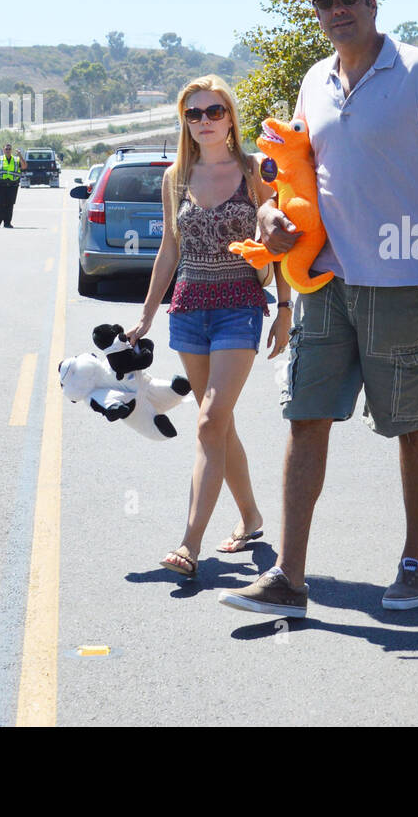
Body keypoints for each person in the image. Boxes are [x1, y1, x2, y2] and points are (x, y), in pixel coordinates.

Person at [216, 0, 418, 619]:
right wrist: (270, 219)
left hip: (403, 281)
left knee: (409, 423)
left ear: (372, 2)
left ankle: (417, 560)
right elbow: (293, 178)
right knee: (305, 417)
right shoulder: (314, 80)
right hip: (325, 281)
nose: (336, 9)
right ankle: (289, 576)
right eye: (324, 2)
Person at [123, 75, 290, 580]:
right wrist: (147, 313)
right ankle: (252, 518)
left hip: (239, 305)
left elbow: (277, 241)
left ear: (231, 116)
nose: (203, 122)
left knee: (208, 421)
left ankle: (188, 544)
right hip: (189, 309)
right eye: (193, 114)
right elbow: (168, 250)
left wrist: (285, 308)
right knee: (220, 423)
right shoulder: (176, 176)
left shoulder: (253, 171)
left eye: (213, 111)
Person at [0, 144, 26, 227]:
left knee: (10, 204)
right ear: (3, 150)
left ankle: (7, 223)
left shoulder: (16, 160)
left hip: (12, 186)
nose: (8, 150)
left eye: (9, 149)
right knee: (0, 204)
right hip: (1, 186)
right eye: (6, 149)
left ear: (11, 150)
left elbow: (24, 166)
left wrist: (20, 155)